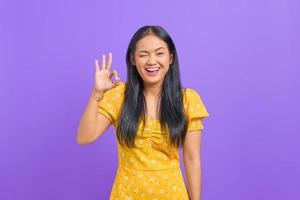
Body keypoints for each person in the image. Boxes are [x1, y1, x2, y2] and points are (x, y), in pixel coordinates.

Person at [76, 25, 209, 200]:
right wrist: (96, 94)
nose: (151, 61)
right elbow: (84, 137)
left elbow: (192, 159)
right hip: (126, 195)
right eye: (143, 54)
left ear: (171, 58)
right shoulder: (119, 96)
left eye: (159, 53)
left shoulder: (187, 100)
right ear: (132, 59)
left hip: (172, 195)